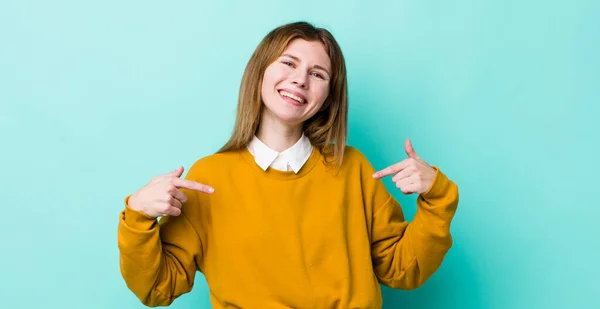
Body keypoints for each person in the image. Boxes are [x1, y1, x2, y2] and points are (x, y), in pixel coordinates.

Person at [117, 21, 459, 309]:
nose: (300, 80)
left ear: (328, 96)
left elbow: (404, 269)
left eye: (318, 73)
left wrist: (436, 197)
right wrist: (138, 215)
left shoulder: (351, 167)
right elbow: (157, 287)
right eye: (289, 63)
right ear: (260, 70)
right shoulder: (211, 177)